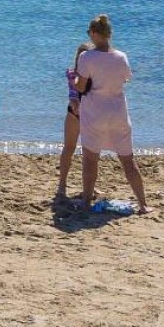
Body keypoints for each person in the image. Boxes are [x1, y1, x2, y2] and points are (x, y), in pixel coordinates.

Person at [73, 14, 150, 213]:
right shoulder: (121, 57)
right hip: (118, 111)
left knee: (91, 159)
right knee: (127, 160)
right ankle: (143, 204)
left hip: (94, 111)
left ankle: (85, 203)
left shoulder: (86, 57)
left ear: (95, 34)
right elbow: (125, 80)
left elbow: (81, 87)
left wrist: (75, 81)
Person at [55, 30, 102, 200]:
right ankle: (61, 185)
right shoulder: (72, 74)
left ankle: (89, 188)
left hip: (91, 116)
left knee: (90, 154)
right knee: (69, 148)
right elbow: (73, 95)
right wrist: (76, 106)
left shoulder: (97, 76)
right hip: (75, 114)